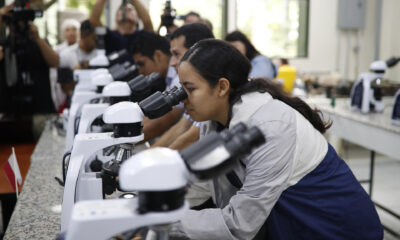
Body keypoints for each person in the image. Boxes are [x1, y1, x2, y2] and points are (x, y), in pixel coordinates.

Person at [169, 39, 383, 239]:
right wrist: (150, 201)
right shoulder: (214, 123)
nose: (183, 98)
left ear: (222, 87)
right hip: (292, 225)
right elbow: (203, 183)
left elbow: (240, 224)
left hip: (337, 228)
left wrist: (162, 219)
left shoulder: (270, 127)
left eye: (190, 89)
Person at [151, 23, 214, 151]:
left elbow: (190, 137)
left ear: (197, 53)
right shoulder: (189, 81)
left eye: (177, 54)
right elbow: (183, 126)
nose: (172, 63)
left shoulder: (210, 83)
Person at [0, 2, 59, 140]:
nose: (19, 24)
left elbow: (55, 62)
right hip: (10, 113)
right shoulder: (4, 46)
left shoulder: (39, 42)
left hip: (40, 111)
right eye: (15, 21)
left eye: (22, 20)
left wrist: (37, 37)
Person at [130, 30, 183, 142]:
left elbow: (161, 121)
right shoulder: (169, 77)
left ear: (158, 55)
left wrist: (123, 140)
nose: (140, 71)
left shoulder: (179, 78)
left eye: (141, 64)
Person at [58, 20, 98, 99]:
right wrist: (75, 72)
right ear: (83, 36)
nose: (97, 41)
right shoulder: (66, 54)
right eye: (94, 38)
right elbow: (65, 89)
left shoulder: (101, 53)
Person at [51, 19, 80, 112]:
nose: (71, 33)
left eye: (74, 29)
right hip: (63, 87)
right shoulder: (58, 50)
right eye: (67, 30)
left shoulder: (83, 48)